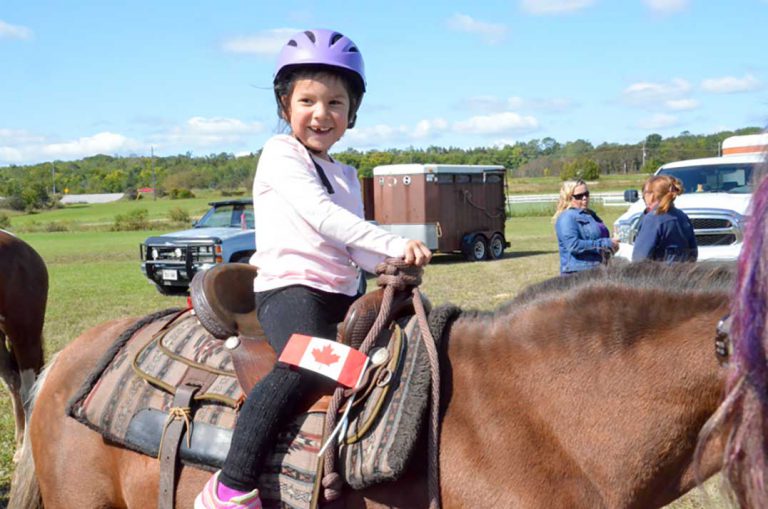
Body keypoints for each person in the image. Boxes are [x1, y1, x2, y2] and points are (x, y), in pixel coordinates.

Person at [195, 29, 432, 509]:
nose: (321, 113)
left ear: (352, 112)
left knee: (398, 357)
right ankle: (230, 486)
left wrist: (391, 262)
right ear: (285, 105)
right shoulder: (281, 154)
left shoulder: (345, 174)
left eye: (335, 103)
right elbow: (323, 218)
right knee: (307, 366)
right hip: (291, 289)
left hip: (344, 293)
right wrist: (391, 240)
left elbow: (353, 247)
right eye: (308, 100)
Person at [553, 179, 617, 275]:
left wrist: (613, 242)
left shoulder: (590, 214)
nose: (584, 198)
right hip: (578, 274)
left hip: (599, 268)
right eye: (579, 196)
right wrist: (606, 243)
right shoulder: (567, 217)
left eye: (586, 194)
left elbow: (599, 237)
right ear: (569, 198)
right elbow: (574, 246)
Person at [631, 175, 697, 263]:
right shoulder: (682, 216)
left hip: (659, 271)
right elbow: (693, 252)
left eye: (645, 193)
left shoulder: (652, 219)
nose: (643, 196)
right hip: (684, 270)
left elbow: (640, 258)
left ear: (652, 195)